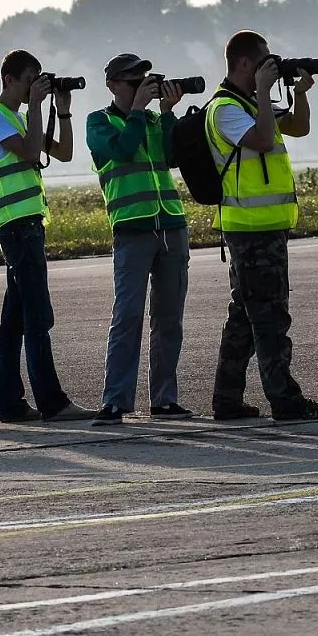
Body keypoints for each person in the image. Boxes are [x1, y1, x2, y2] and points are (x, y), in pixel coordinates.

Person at [206, 30, 318, 421]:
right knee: (270, 318)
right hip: (250, 228)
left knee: (245, 318)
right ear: (244, 64)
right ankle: (285, 399)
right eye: (263, 61)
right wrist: (264, 91)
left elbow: (296, 127)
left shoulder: (249, 103)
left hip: (265, 226)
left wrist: (299, 91)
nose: (269, 66)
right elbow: (264, 140)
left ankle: (226, 400)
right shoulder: (225, 109)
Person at [0, 50, 93, 423]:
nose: (33, 86)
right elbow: (27, 153)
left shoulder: (23, 118)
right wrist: (39, 107)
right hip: (16, 226)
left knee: (16, 318)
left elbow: (65, 152)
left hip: (27, 225)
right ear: (9, 79)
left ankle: (9, 402)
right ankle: (52, 402)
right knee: (38, 316)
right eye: (29, 79)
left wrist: (64, 109)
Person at [86, 54, 193, 426]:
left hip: (171, 226)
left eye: (144, 82)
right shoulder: (98, 122)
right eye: (133, 83)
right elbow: (122, 149)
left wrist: (166, 112)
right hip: (132, 230)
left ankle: (164, 399)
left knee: (169, 319)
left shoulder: (151, 119)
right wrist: (136, 110)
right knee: (128, 317)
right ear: (113, 84)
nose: (139, 89)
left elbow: (171, 157)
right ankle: (115, 400)